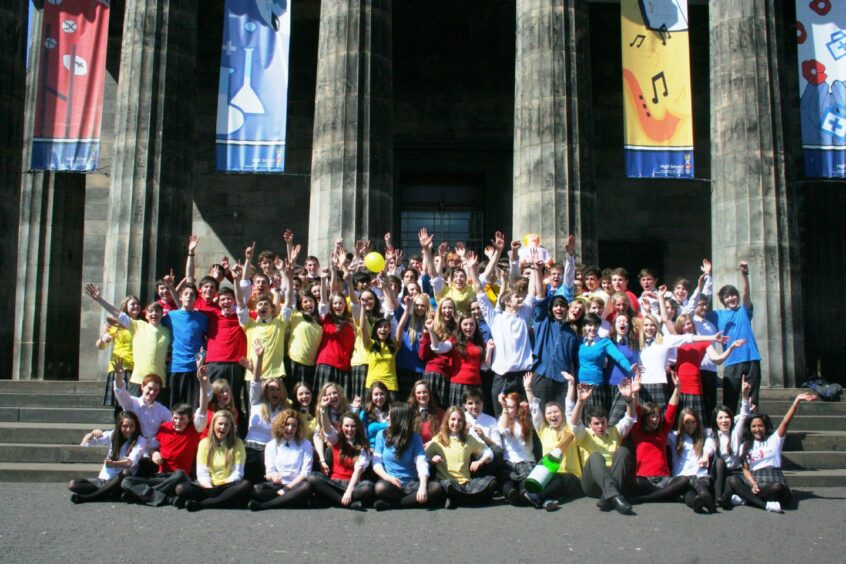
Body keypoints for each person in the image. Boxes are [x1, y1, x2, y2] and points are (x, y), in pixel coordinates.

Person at [730, 391, 818, 512]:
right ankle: (762, 504)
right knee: (733, 480)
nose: (757, 429)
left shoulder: (774, 440)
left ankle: (746, 499)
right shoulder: (745, 446)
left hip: (774, 480)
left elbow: (785, 422)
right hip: (756, 481)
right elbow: (745, 469)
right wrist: (752, 483)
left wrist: (796, 402)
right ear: (749, 429)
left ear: (766, 427)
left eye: (760, 426)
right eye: (754, 426)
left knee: (777, 488)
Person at [85, 284, 171, 398]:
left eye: (157, 311)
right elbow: (118, 314)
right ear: (146, 314)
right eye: (151, 311)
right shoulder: (138, 325)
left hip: (159, 380)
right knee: (130, 413)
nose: (154, 314)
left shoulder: (168, 331)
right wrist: (99, 299)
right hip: (138, 379)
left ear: (162, 314)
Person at [120, 398, 208, 507]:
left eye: (182, 419)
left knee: (180, 474)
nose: (178, 422)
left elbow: (203, 411)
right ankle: (166, 499)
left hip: (178, 476)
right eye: (175, 418)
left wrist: (203, 385)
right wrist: (153, 453)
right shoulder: (165, 427)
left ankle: (138, 496)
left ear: (189, 419)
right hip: (161, 476)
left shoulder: (193, 430)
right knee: (126, 481)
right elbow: (149, 446)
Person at [569, 379, 638, 515]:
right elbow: (575, 423)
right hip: (592, 484)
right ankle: (615, 495)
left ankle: (610, 497)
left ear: (607, 422)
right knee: (595, 456)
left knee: (623, 451)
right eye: (596, 423)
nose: (600, 426)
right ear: (589, 424)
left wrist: (629, 399)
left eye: (603, 423)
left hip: (614, 477)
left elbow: (630, 418)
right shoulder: (584, 434)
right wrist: (581, 401)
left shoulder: (615, 431)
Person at [523, 372, 582, 511]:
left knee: (559, 479)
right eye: (549, 413)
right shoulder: (543, 430)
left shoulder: (570, 428)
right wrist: (528, 388)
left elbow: (569, 406)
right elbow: (535, 410)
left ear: (561, 414)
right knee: (542, 480)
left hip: (573, 478)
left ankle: (537, 498)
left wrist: (571, 384)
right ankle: (546, 501)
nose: (552, 415)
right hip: (549, 476)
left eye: (556, 412)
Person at [173, 410, 252, 511]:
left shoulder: (238, 443)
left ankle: (204, 504)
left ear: (231, 427)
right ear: (214, 425)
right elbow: (202, 471)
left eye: (226, 425)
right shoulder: (204, 443)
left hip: (227, 485)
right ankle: (223, 501)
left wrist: (222, 485)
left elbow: (238, 473)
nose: (223, 427)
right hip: (208, 486)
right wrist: (209, 486)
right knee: (181, 488)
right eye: (220, 424)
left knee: (246, 485)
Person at [674, 313, 745, 425]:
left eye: (688, 324)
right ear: (679, 327)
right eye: (683, 325)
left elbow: (717, 359)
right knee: (679, 423)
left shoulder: (704, 341)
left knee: (696, 421)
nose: (686, 327)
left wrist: (731, 347)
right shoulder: (676, 340)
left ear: (692, 324)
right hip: (677, 384)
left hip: (693, 384)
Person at [372, 402, 444, 510]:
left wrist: (422, 487)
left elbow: (422, 463)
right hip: (392, 483)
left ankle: (394, 505)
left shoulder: (415, 437)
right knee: (379, 487)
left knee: (436, 487)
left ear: (398, 418)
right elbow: (376, 463)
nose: (386, 418)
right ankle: (414, 501)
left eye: (389, 415)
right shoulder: (381, 435)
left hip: (412, 483)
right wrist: (388, 478)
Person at [629, 374, 689, 504]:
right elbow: (636, 412)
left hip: (663, 479)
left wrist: (677, 388)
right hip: (644, 479)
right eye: (651, 417)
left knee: (684, 480)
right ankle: (666, 495)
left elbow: (672, 409)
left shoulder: (662, 430)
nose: (655, 419)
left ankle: (647, 499)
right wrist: (634, 394)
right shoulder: (637, 431)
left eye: (657, 416)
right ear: (645, 418)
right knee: (635, 482)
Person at [240, 339, 291, 483]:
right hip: (251, 446)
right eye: (271, 389)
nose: (275, 392)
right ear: (266, 391)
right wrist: (260, 357)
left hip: (271, 450)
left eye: (277, 389)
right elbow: (256, 381)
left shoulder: (285, 410)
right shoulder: (257, 401)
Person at [426, 406, 496, 509]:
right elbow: (423, 459)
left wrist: (480, 461)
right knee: (448, 485)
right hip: (448, 483)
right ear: (447, 421)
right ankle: (474, 499)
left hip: (466, 484)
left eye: (460, 420)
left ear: (463, 423)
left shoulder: (469, 439)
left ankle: (457, 500)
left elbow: (489, 452)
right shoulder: (438, 439)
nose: (456, 423)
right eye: (453, 419)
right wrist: (432, 460)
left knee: (491, 481)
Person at [68, 411, 145, 504]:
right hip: (104, 480)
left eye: (132, 426)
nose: (128, 429)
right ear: (119, 426)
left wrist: (114, 464)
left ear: (136, 426)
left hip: (121, 481)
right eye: (125, 426)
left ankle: (88, 498)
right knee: (73, 485)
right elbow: (86, 444)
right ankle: (109, 494)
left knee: (126, 472)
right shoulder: (112, 435)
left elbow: (131, 462)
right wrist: (92, 434)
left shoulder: (140, 440)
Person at [308, 411, 375, 510]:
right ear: (341, 427)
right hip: (334, 483)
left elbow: (358, 470)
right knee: (312, 477)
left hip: (353, 484)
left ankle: (332, 498)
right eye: (346, 426)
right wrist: (323, 411)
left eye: (353, 426)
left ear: (357, 428)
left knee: (368, 487)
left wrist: (348, 491)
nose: (349, 429)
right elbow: (327, 429)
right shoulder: (336, 440)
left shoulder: (363, 446)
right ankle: (346, 503)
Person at [248, 409, 314, 510]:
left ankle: (265, 505)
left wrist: (287, 489)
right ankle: (289, 501)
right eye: (287, 424)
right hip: (277, 485)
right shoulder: (271, 445)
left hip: (295, 485)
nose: (290, 428)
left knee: (306, 487)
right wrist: (274, 476)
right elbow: (269, 471)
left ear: (298, 428)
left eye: (294, 425)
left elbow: (305, 472)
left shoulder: (305, 444)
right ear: (280, 425)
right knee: (257, 489)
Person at [709, 376, 753, 508]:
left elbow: (744, 416)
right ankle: (718, 498)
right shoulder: (712, 434)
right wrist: (705, 456)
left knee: (731, 480)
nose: (724, 420)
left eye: (727, 417)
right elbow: (708, 448)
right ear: (716, 421)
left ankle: (724, 498)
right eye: (720, 418)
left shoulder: (735, 434)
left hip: (733, 472)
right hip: (717, 473)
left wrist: (744, 396)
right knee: (720, 462)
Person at [95, 295, 140, 417]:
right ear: (126, 307)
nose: (136, 306)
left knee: (135, 405)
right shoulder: (115, 324)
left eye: (137, 304)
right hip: (119, 367)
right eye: (132, 304)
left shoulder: (141, 324)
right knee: (119, 406)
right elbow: (100, 346)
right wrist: (104, 338)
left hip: (137, 368)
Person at [668, 408, 718, 513]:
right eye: (686, 422)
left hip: (700, 475)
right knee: (688, 493)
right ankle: (697, 503)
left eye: (693, 422)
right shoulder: (674, 436)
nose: (690, 425)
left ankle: (704, 495)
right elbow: (663, 429)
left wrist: (706, 455)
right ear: (681, 423)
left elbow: (711, 443)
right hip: (683, 476)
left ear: (697, 422)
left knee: (701, 485)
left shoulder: (703, 435)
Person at [496, 391, 535, 505]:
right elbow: (502, 430)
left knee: (526, 478)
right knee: (506, 479)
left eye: (511, 407)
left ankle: (524, 492)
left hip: (526, 460)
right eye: (506, 406)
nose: (508, 409)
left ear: (518, 407)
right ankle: (510, 493)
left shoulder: (527, 419)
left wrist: (528, 412)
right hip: (509, 460)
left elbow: (537, 415)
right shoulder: (503, 419)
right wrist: (504, 407)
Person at [447, 315, 494, 407]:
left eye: (472, 324)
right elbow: (438, 348)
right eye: (465, 324)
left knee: (475, 415)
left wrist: (489, 349)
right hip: (458, 383)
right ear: (460, 326)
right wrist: (430, 331)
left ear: (475, 326)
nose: (468, 327)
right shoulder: (454, 340)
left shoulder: (479, 343)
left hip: (475, 384)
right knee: (458, 414)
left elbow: (485, 367)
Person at [394, 293, 430, 402]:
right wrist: (408, 306)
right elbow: (399, 326)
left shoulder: (430, 323)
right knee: (402, 400)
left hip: (420, 369)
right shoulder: (408, 319)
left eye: (423, 305)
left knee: (415, 401)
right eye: (417, 305)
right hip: (403, 366)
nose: (419, 308)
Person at [359, 298, 399, 395]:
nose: (383, 329)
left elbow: (401, 326)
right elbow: (362, 327)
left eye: (386, 326)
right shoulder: (370, 343)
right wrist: (363, 308)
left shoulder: (394, 344)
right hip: (372, 386)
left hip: (390, 386)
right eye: (380, 327)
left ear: (390, 330)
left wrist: (408, 308)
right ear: (375, 330)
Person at [408, 379, 444, 444]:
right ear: (414, 395)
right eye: (418, 393)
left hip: (433, 448)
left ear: (429, 393)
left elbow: (444, 434)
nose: (422, 395)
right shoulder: (409, 412)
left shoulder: (440, 413)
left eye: (424, 392)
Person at [360, 381, 390, 448]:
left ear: (386, 395)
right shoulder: (365, 413)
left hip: (388, 450)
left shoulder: (391, 412)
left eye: (382, 394)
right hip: (371, 450)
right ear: (371, 396)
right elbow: (361, 435)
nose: (379, 397)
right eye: (376, 394)